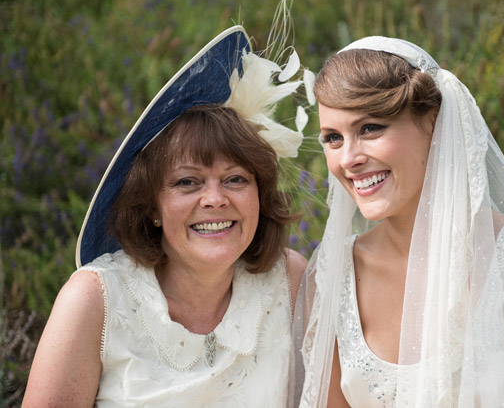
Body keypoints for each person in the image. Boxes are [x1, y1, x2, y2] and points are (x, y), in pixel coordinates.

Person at [294, 36, 504, 407]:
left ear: (433, 121)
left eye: (371, 128)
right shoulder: (330, 276)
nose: (348, 159)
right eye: (333, 138)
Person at [23, 24, 309, 406]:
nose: (215, 199)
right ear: (153, 207)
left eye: (235, 179)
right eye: (188, 182)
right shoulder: (96, 300)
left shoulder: (289, 281)